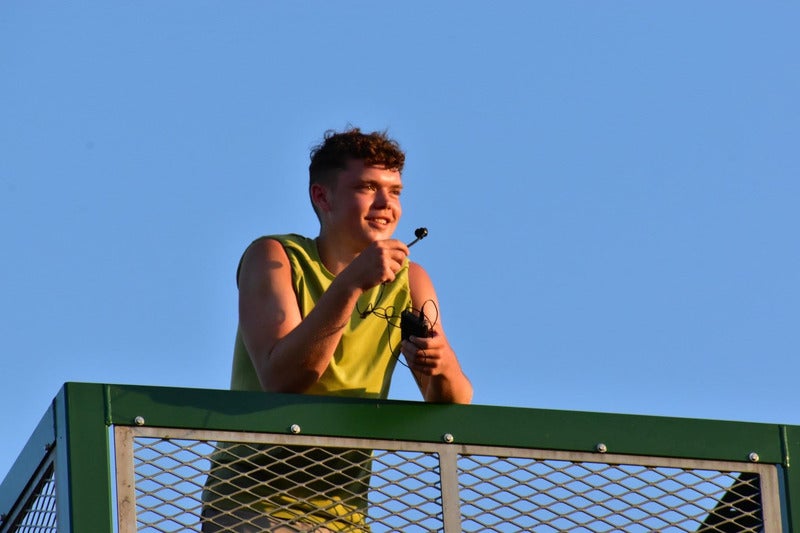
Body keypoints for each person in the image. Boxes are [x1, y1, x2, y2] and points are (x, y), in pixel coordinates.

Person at [202, 127, 473, 532]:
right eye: (368, 187)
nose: (386, 204)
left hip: (345, 514)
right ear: (322, 196)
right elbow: (284, 379)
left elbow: (453, 402)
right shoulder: (274, 257)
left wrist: (441, 363)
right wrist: (351, 284)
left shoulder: (410, 281)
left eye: (395, 190)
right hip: (251, 506)